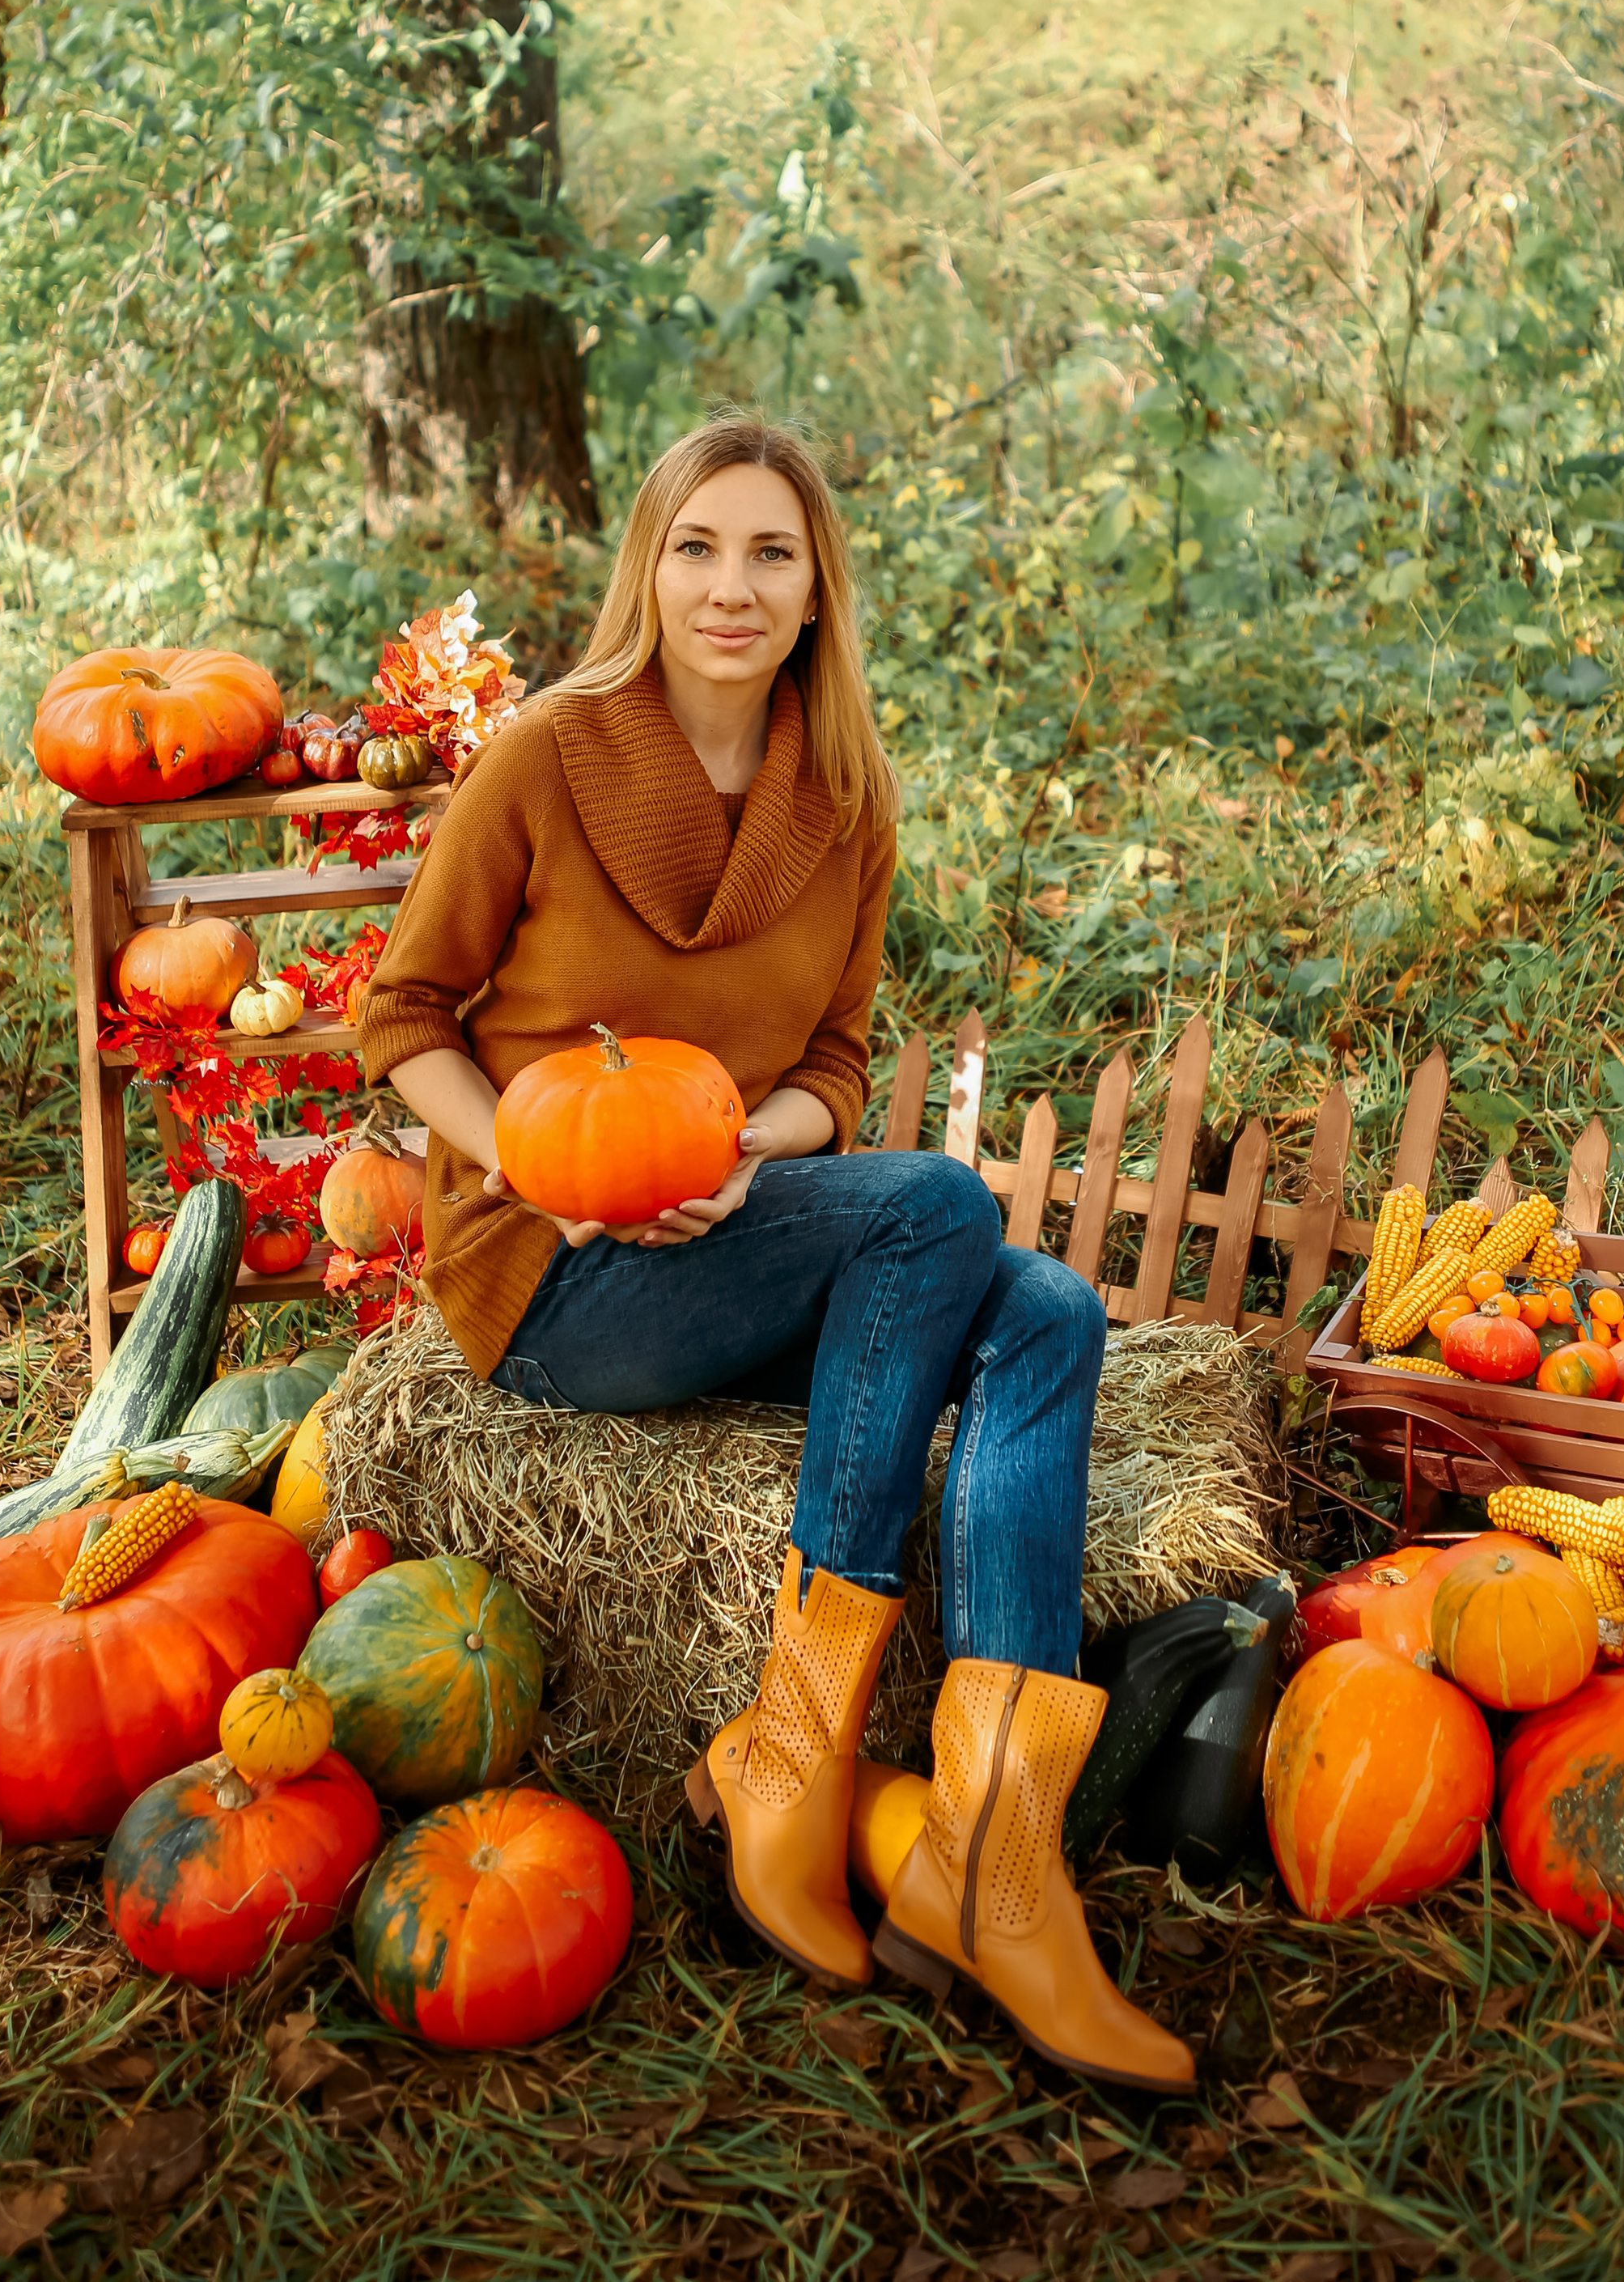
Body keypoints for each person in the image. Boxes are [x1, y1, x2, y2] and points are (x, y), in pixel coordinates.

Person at [357, 417, 1193, 2094]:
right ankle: (789, 1756)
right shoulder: (541, 756)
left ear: (817, 592)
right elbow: (400, 1020)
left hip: (729, 1228)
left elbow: (826, 1068)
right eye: (695, 548)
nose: (728, 588)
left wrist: (746, 1157)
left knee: (1039, 1314)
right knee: (947, 1208)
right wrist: (534, 1146)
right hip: (553, 1267)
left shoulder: (846, 796)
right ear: (646, 569)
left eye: (769, 555)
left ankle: (992, 1863)